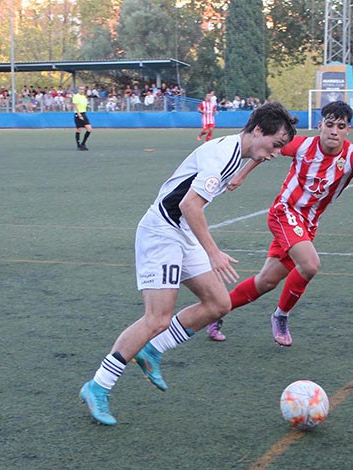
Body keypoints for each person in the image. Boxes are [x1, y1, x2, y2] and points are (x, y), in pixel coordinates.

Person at [78, 102, 299, 426]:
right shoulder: (221, 156)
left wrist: (247, 169)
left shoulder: (237, 150)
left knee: (218, 303)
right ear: (256, 131)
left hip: (180, 231)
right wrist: (213, 252)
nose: (277, 153)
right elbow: (189, 205)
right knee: (157, 318)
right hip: (162, 232)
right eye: (276, 145)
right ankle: (97, 386)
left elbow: (237, 168)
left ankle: (152, 352)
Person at [204, 100, 353, 343]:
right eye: (329, 124)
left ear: (348, 130)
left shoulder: (352, 156)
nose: (333, 131)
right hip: (284, 212)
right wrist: (241, 175)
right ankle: (281, 316)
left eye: (340, 126)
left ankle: (217, 310)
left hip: (307, 225)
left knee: (266, 281)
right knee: (310, 264)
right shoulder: (304, 144)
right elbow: (264, 150)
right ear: (320, 125)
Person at [72, 85, 92, 151]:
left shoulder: (83, 97)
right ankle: (79, 145)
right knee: (79, 129)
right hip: (79, 114)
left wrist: (88, 106)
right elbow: (75, 106)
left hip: (84, 113)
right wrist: (79, 115)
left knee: (89, 129)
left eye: (83, 89)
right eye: (80, 89)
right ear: (78, 89)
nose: (82, 90)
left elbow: (84, 104)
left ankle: (82, 144)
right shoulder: (76, 96)